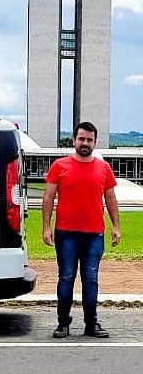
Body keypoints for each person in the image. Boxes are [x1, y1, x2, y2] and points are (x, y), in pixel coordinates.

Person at [42, 121, 121, 338]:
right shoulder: (59, 166)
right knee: (66, 277)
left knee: (91, 279)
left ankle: (91, 323)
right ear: (74, 140)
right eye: (81, 139)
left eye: (89, 139)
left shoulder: (103, 168)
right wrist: (46, 227)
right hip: (66, 233)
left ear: (95, 142)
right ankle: (63, 323)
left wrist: (116, 226)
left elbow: (111, 199)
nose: (85, 143)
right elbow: (48, 197)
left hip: (94, 234)